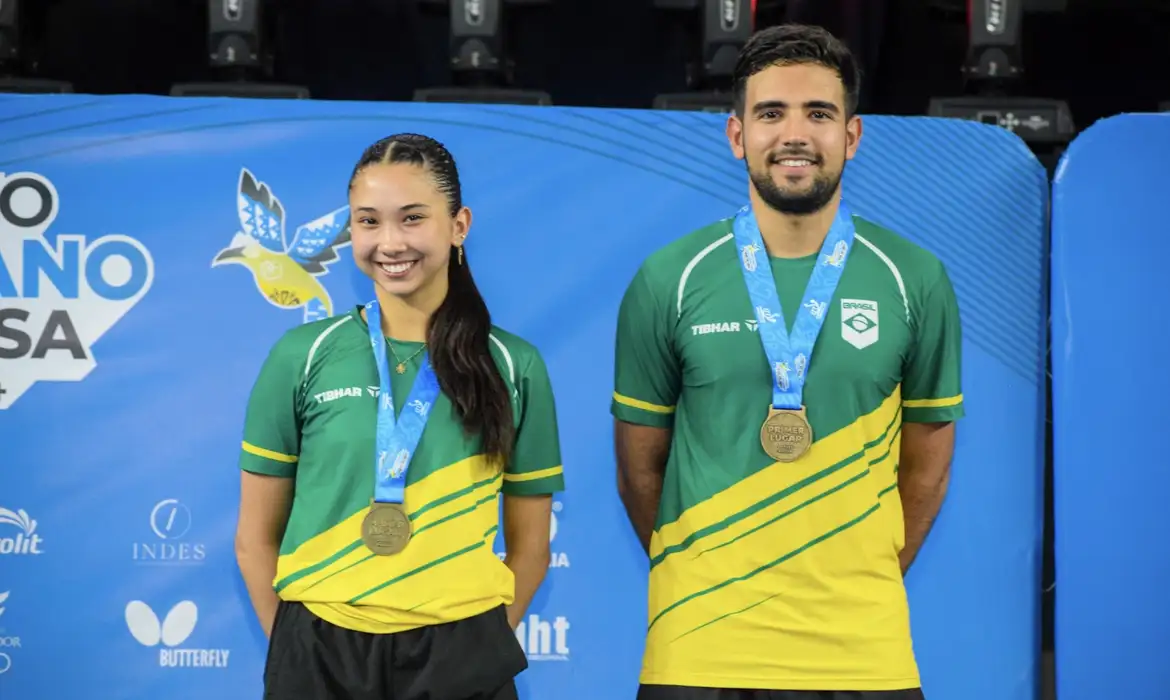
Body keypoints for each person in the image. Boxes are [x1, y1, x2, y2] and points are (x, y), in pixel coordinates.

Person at [611, 24, 963, 700]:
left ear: (852, 137)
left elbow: (928, 468)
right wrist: (699, 570)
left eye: (819, 114)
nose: (795, 134)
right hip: (700, 651)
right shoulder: (670, 278)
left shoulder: (913, 278)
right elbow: (638, 471)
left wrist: (859, 576)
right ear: (737, 136)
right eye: (771, 113)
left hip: (863, 655)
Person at [233, 133, 565, 700]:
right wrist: (295, 648)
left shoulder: (513, 364)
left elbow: (531, 546)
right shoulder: (304, 355)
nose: (390, 242)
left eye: (412, 218)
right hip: (317, 649)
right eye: (369, 222)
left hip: (461, 652)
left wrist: (474, 648)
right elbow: (254, 539)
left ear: (458, 225)